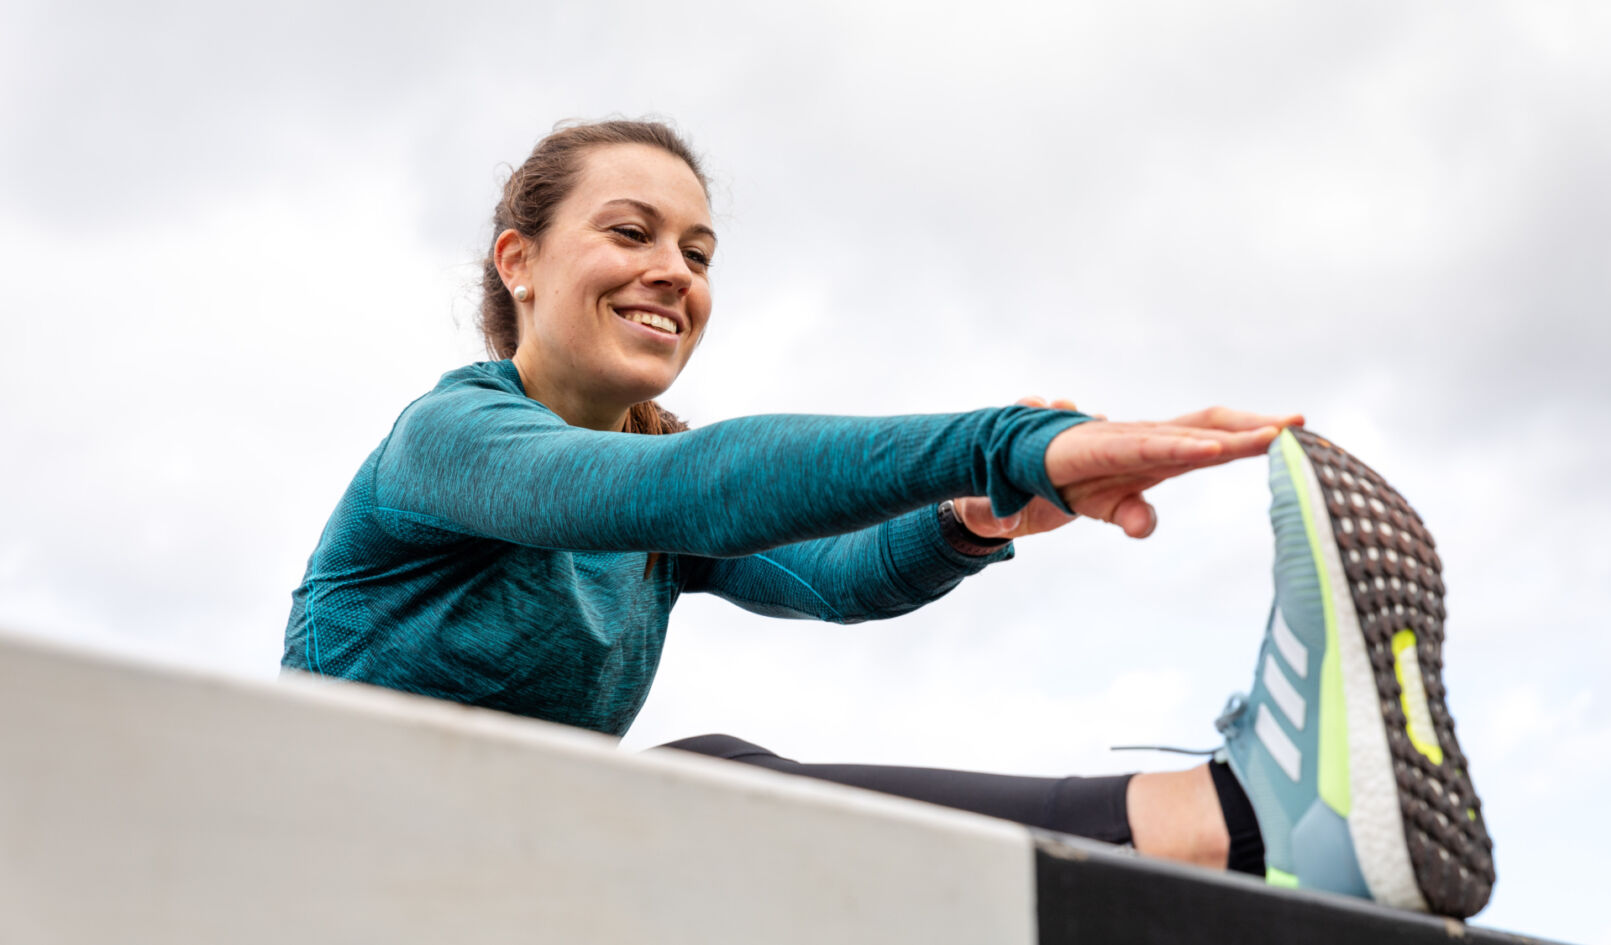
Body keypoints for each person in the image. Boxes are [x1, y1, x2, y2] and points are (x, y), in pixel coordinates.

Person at [283, 120, 1493, 918]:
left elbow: (832, 575)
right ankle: (1238, 823)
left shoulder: (650, 485)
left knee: (713, 790)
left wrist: (969, 517)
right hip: (320, 886)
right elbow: (687, 488)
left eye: (699, 252)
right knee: (699, 788)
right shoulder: (450, 441)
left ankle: (1241, 833)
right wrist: (1004, 443)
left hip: (505, 888)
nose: (677, 273)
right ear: (519, 261)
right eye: (632, 233)